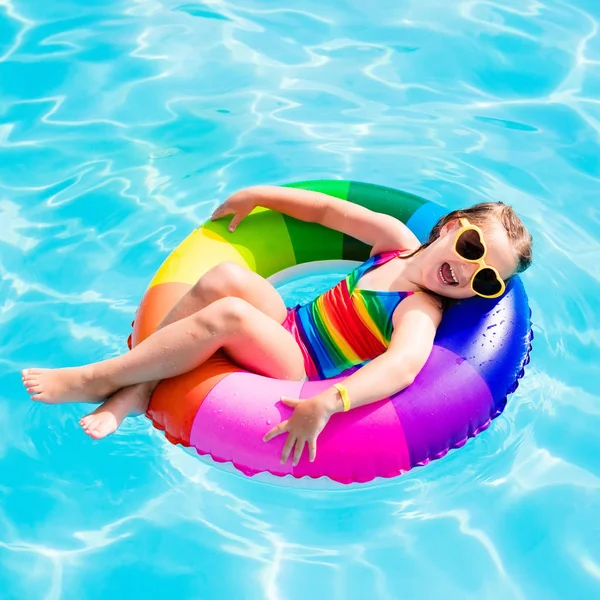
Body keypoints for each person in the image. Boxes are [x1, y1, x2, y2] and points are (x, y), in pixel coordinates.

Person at [21, 186, 532, 466]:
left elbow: (403, 366)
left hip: (300, 366)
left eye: (485, 280)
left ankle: (99, 379)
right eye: (470, 248)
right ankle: (141, 387)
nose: (467, 271)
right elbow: (330, 210)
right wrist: (259, 195)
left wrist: (331, 400)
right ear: (448, 227)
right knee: (225, 276)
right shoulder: (394, 241)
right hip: (288, 323)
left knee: (232, 315)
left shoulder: (419, 309)